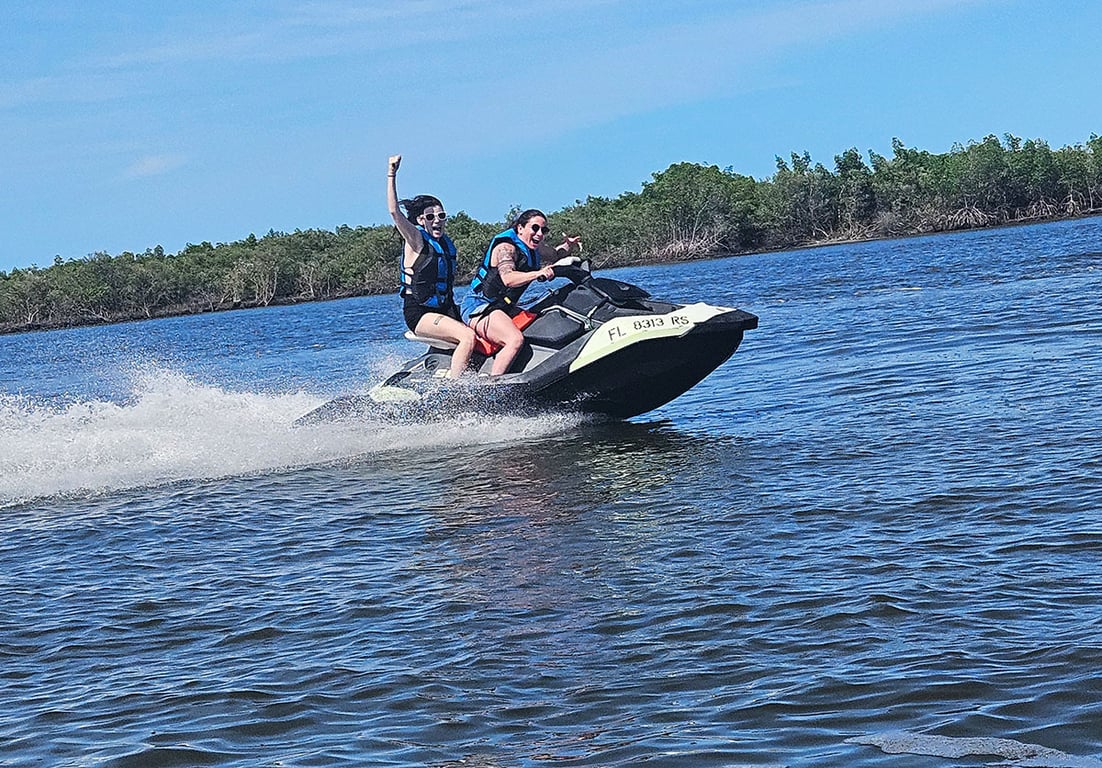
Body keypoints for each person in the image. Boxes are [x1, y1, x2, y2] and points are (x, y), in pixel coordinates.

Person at [461, 209, 582, 375]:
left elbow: (555, 255)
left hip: (504, 307)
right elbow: (508, 278)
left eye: (544, 230)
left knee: (544, 318)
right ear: (520, 228)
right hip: (480, 307)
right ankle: (493, 386)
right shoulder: (505, 248)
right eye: (535, 228)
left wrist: (568, 244)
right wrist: (538, 273)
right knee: (514, 339)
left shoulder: (535, 246)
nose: (540, 234)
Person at [388, 154, 476, 379]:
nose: (437, 220)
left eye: (441, 216)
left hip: (445, 308)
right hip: (420, 312)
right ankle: (456, 389)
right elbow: (395, 212)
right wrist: (392, 173)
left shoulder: (445, 243)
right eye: (430, 217)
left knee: (481, 325)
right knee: (467, 337)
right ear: (420, 220)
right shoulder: (416, 240)